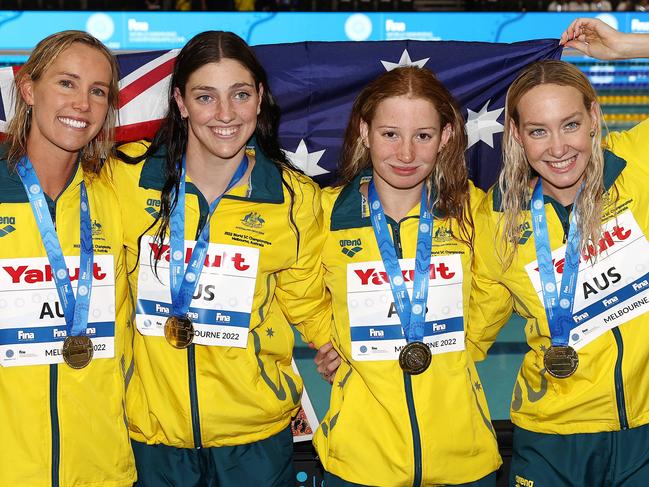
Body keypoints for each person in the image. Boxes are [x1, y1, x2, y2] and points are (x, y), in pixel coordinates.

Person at [105, 30, 333, 486]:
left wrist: (341, 348)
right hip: (152, 437)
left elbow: (306, 298)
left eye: (240, 95)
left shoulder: (293, 199)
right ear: (181, 102)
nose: (225, 115)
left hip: (256, 438)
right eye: (206, 97)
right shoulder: (124, 179)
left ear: (260, 99)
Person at [468, 18, 649, 486]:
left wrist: (629, 46)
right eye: (539, 131)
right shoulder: (498, 221)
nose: (559, 148)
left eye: (570, 124)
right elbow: (468, 335)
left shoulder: (639, 166)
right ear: (516, 133)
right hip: (551, 438)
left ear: (593, 117)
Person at [312, 66, 501, 487]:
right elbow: (296, 286)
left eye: (423, 136)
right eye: (390, 134)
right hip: (359, 463)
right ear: (364, 132)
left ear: (446, 137)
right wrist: (329, 340)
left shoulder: (476, 212)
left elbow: (495, 288)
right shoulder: (323, 215)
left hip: (463, 460)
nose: (406, 154)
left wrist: (465, 348)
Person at [0, 31, 135, 486]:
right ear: (27, 90)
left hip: (100, 467)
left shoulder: (118, 197)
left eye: (98, 91)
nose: (83, 103)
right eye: (67, 83)